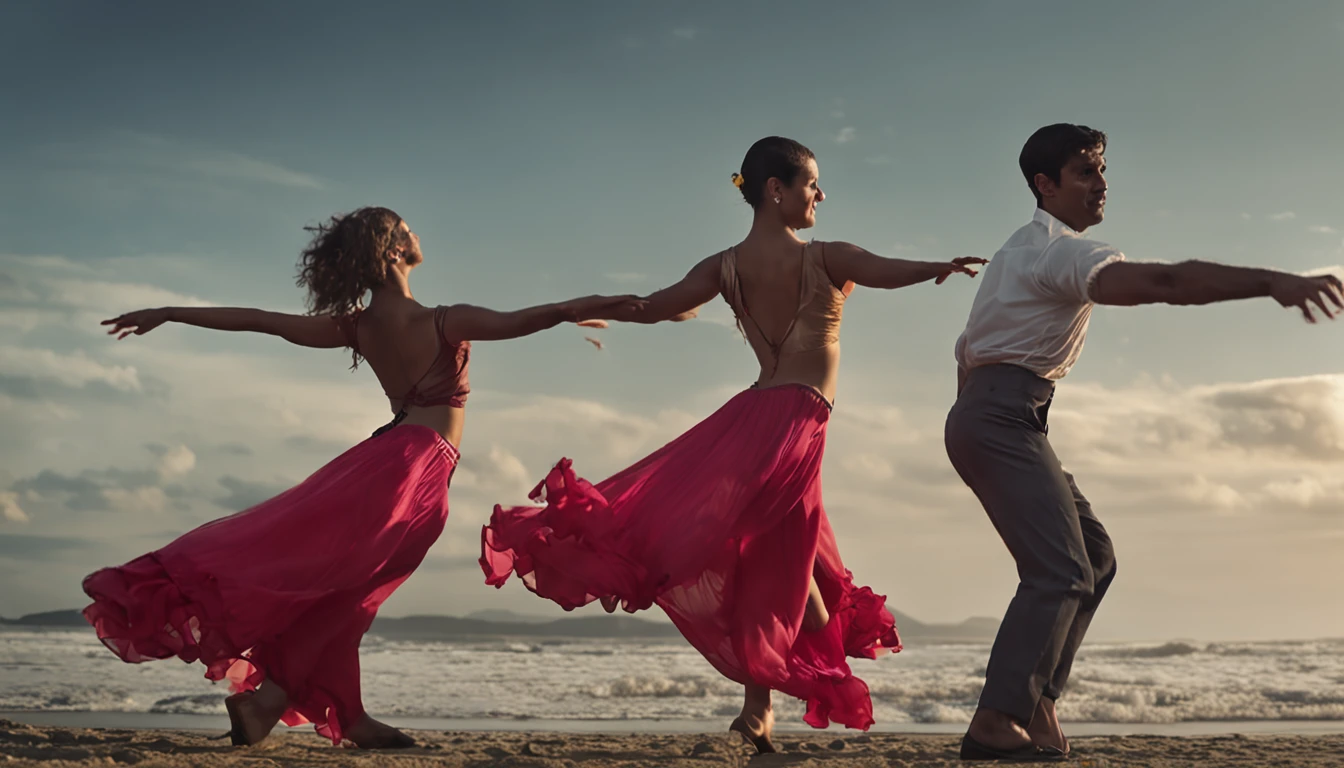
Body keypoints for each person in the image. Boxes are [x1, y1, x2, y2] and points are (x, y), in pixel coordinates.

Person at [480, 137, 985, 752]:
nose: (821, 195)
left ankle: (763, 706)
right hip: (795, 422)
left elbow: (651, 307)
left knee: (781, 557)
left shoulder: (723, 267)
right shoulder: (829, 256)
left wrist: (585, 305)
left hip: (753, 415)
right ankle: (812, 680)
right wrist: (939, 267)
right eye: (811, 185)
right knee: (787, 561)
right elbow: (888, 270)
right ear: (776, 190)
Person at [83, 206, 641, 749]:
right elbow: (526, 319)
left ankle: (307, 706)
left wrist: (173, 313)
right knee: (354, 594)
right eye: (406, 228)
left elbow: (262, 323)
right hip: (413, 469)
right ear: (395, 249)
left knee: (349, 591)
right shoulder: (442, 319)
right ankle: (288, 702)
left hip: (388, 460)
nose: (417, 231)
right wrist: (589, 306)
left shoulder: (358, 327)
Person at [946, 124, 1344, 762]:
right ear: (1044, 185)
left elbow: (967, 353)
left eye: (1102, 171)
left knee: (1094, 556)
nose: (1100, 184)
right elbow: (1167, 285)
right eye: (1084, 172)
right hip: (999, 417)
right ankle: (996, 720)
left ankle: (1036, 701)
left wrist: (987, 415)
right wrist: (1273, 282)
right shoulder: (1060, 253)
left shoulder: (1015, 253)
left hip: (998, 413)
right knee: (1060, 570)